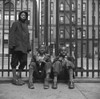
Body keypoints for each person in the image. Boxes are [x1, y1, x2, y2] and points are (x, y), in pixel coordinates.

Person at [9, 10, 31, 85]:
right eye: (22, 15)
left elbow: (27, 37)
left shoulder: (26, 25)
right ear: (19, 16)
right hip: (16, 46)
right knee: (14, 62)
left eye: (24, 15)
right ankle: (14, 78)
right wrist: (11, 45)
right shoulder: (15, 23)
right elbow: (11, 34)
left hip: (24, 47)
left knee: (24, 61)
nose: (23, 16)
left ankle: (18, 76)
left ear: (26, 17)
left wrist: (28, 47)